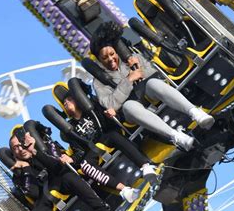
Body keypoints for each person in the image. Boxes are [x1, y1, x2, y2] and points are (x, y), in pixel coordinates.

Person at [89, 21, 215, 151]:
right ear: (99, 60)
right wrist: (129, 80)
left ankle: (195, 113)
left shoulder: (133, 58)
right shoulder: (98, 82)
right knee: (129, 106)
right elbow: (111, 104)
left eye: (112, 54)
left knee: (153, 83)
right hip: (131, 108)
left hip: (148, 91)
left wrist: (138, 67)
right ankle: (176, 136)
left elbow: (154, 74)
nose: (110, 59)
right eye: (105, 58)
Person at [8, 125, 121, 211]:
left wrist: (34, 152)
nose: (20, 149)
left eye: (21, 144)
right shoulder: (19, 172)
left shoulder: (45, 148)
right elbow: (33, 192)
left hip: (66, 180)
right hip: (49, 195)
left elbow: (57, 167)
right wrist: (26, 170)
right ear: (13, 153)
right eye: (15, 148)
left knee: (66, 175)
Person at [61, 79, 158, 185]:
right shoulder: (70, 128)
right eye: (64, 102)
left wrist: (113, 114)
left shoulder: (93, 107)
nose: (66, 102)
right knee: (86, 164)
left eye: (69, 99)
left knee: (113, 135)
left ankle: (146, 166)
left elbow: (109, 121)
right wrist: (72, 159)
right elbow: (78, 150)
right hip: (93, 149)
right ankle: (123, 190)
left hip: (106, 137)